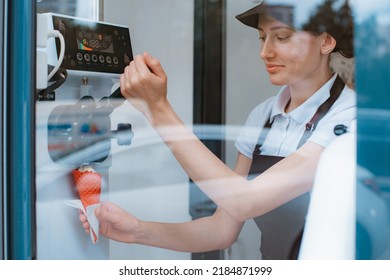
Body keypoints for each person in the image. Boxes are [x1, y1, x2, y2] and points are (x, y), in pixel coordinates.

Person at [79, 0, 356, 259]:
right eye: (262, 37)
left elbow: (244, 202)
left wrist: (158, 109)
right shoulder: (263, 117)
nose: (265, 52)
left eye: (281, 37)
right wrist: (136, 230)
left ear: (326, 41)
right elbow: (222, 229)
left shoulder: (348, 118)